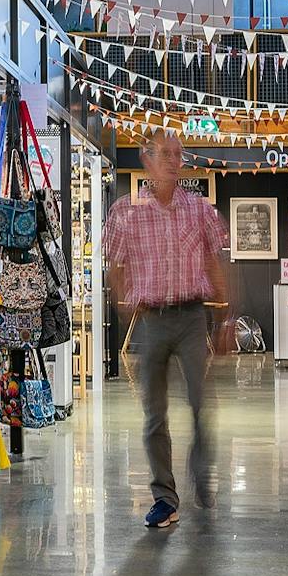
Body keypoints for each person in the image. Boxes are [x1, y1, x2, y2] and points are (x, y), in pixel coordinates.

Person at [103, 130, 230, 528]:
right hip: (153, 320)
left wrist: (225, 317)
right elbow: (114, 265)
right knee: (154, 415)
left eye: (179, 154)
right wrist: (126, 301)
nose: (175, 161)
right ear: (147, 159)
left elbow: (214, 261)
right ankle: (165, 497)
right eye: (167, 154)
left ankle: (200, 469)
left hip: (192, 317)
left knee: (199, 403)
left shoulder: (199, 210)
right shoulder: (126, 212)